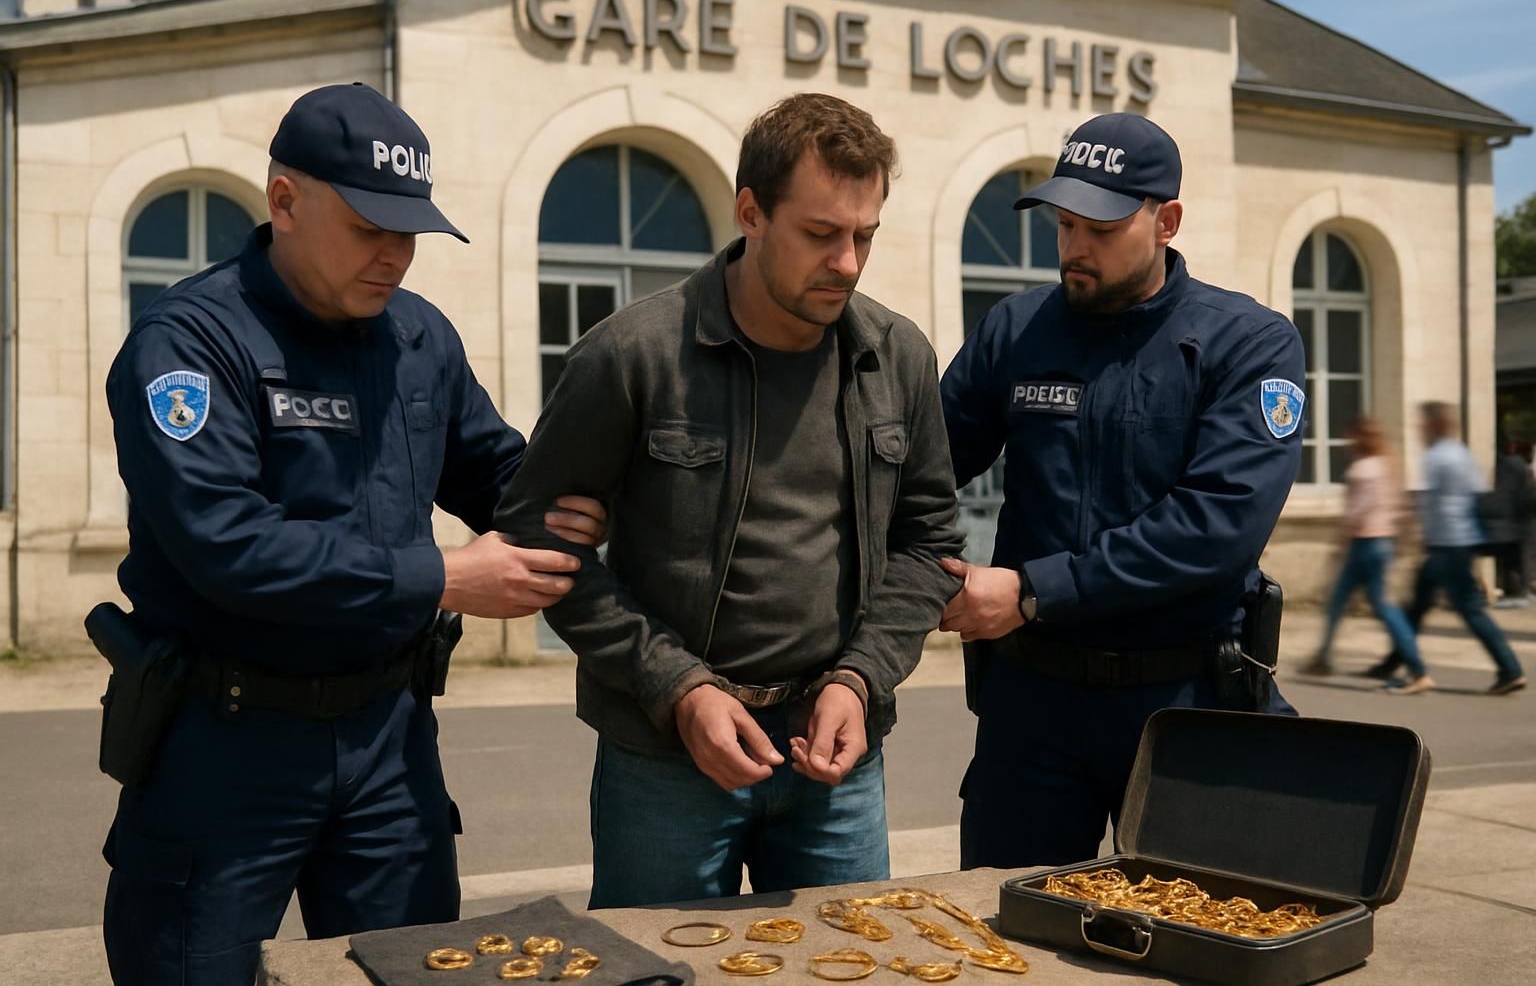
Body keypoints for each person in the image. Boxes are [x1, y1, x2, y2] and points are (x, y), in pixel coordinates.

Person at [101, 83, 608, 984]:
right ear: (284, 201)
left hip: (387, 742)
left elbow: (500, 478)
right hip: (225, 745)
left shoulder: (419, 339)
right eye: (369, 228)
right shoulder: (189, 343)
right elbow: (227, 544)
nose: (395, 257)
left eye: (408, 232)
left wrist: (599, 507)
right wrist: (443, 579)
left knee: (414, 969)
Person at [496, 93, 964, 907]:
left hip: (836, 763)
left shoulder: (899, 359)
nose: (848, 263)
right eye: (821, 234)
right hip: (665, 759)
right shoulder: (633, 356)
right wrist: (679, 688)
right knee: (658, 969)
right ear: (751, 212)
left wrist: (860, 681)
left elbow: (929, 544)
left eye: (865, 237)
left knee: (844, 966)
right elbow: (541, 544)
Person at [939, 112, 1304, 871]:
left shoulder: (1249, 343)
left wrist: (1033, 589)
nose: (1074, 248)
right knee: (1006, 932)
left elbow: (1216, 527)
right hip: (1032, 709)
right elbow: (920, 468)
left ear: (1166, 220)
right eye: (1065, 225)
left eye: (1099, 229)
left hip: (1186, 703)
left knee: (1190, 935)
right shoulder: (1016, 328)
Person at [1366, 403, 1526, 694]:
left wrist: (1415, 532)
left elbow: (1430, 503)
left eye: (1423, 424)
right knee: (1417, 607)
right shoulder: (1460, 453)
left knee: (1468, 609)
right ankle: (1394, 662)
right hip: (1457, 542)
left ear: (1435, 425)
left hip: (1447, 546)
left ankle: (1510, 669)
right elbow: (1475, 494)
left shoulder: (1437, 456)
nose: (1420, 429)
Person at [1300, 417, 1428, 687]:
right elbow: (1397, 506)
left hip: (1363, 544)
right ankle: (1323, 656)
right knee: (1356, 603)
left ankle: (1418, 671)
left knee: (1372, 605)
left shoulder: (1361, 470)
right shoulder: (1385, 465)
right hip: (1382, 542)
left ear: (1360, 438)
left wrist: (1339, 547)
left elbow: (1355, 514)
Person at [1483, 439, 1535, 608]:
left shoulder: (1508, 466)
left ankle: (1517, 593)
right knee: (1521, 558)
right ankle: (1520, 592)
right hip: (1521, 522)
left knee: (1514, 560)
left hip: (1511, 523)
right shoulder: (1522, 468)